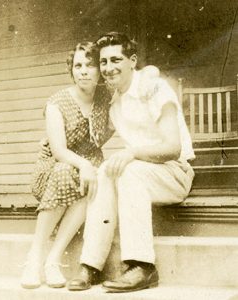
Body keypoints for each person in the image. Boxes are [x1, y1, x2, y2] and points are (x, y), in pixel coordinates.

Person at [67, 32, 195, 293]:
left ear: (132, 60)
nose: (108, 68)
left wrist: (133, 153)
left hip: (175, 173)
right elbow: (95, 137)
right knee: (105, 171)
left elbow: (173, 147)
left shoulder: (155, 88)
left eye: (116, 60)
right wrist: (55, 142)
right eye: (103, 62)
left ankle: (142, 266)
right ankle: (91, 265)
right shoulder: (115, 101)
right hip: (143, 174)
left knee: (128, 172)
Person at [20, 41, 113, 289]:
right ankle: (34, 258)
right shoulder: (57, 103)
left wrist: (89, 163)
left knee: (92, 178)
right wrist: (84, 164)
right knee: (66, 172)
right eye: (77, 65)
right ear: (71, 70)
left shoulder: (106, 98)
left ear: (99, 70)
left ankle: (52, 260)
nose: (83, 71)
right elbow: (59, 152)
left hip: (87, 168)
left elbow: (112, 127)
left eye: (90, 65)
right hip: (53, 169)